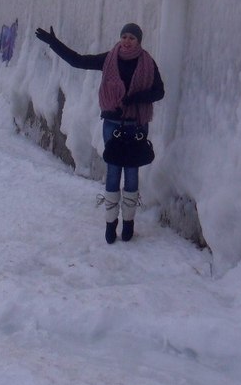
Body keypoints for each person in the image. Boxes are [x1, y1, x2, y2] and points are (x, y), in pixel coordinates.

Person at [34, 22, 164, 244]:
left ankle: (129, 223)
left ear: (139, 41)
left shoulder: (147, 63)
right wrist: (53, 43)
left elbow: (159, 91)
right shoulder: (110, 59)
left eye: (132, 37)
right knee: (113, 171)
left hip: (137, 125)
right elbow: (78, 61)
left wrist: (137, 98)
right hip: (112, 123)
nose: (127, 41)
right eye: (124, 36)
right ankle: (110, 223)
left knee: (132, 172)